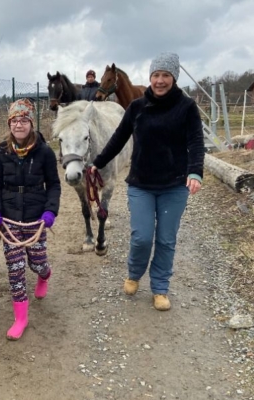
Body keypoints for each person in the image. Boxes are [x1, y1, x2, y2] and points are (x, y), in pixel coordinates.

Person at [91, 52, 205, 311]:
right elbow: (119, 138)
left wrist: (195, 171)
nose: (160, 80)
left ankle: (160, 288)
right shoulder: (137, 107)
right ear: (150, 77)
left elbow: (195, 142)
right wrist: (96, 163)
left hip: (174, 185)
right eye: (156, 75)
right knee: (142, 237)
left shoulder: (186, 107)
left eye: (165, 75)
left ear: (173, 78)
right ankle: (134, 273)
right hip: (141, 183)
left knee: (166, 239)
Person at [0, 98, 61, 340]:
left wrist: (50, 211)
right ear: (10, 124)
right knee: (15, 268)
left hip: (35, 218)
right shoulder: (1, 151)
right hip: (9, 219)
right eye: (14, 121)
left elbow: (54, 185)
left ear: (31, 123)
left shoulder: (45, 152)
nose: (19, 125)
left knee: (36, 262)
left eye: (23, 120)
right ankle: (20, 318)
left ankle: (44, 274)